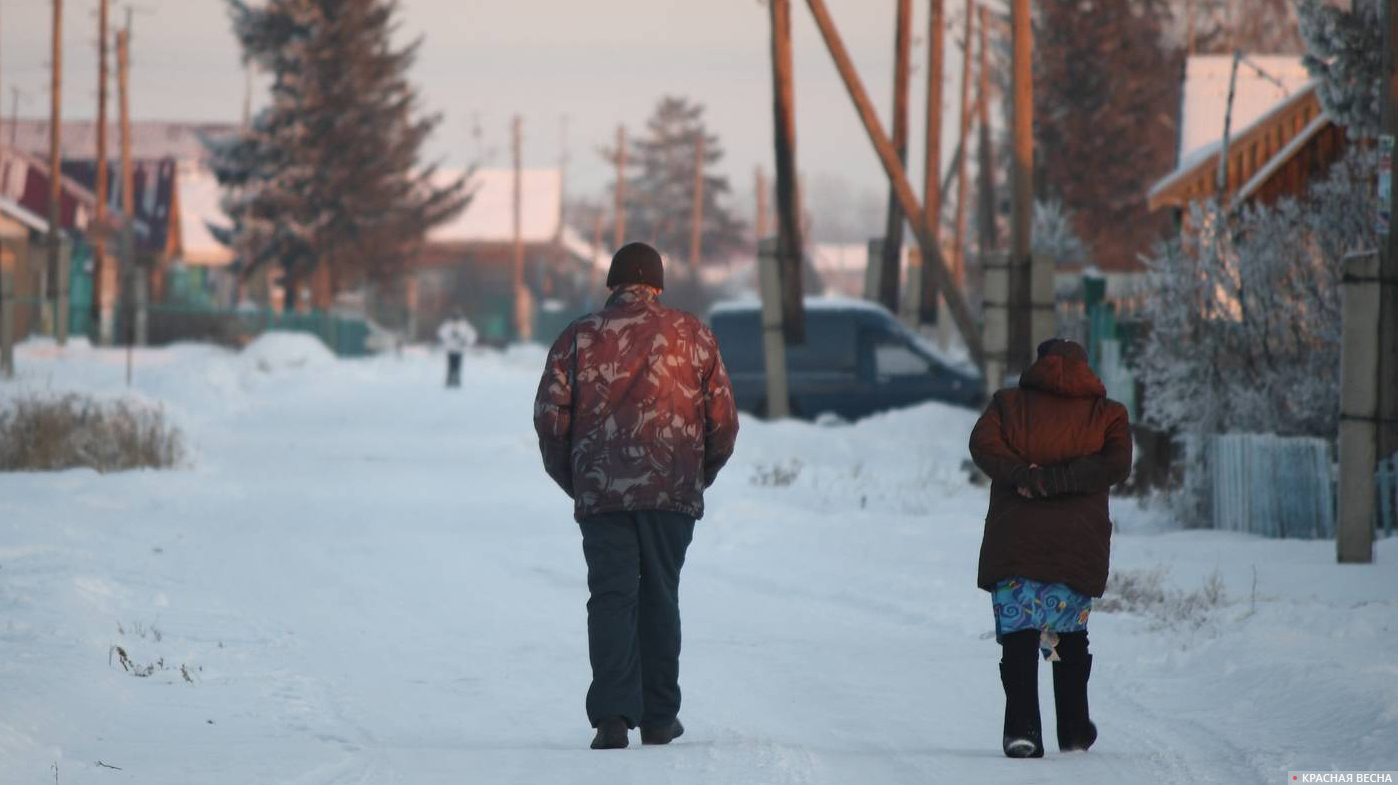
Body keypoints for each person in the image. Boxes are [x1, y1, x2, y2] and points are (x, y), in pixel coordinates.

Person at [533, 242, 739, 750]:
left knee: (611, 597)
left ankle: (612, 718)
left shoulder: (578, 337)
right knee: (659, 597)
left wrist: (579, 481)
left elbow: (549, 419)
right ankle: (660, 717)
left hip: (602, 494)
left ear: (612, 284)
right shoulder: (694, 335)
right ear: (658, 285)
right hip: (672, 492)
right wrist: (694, 475)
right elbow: (724, 423)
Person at [968, 338, 1132, 759]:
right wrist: (1065, 481)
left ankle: (1022, 732)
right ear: (1085, 368)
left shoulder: (1007, 405)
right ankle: (1074, 728)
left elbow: (983, 446)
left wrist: (1026, 476)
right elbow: (1116, 465)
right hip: (1076, 543)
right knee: (1069, 636)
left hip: (1016, 539)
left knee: (1019, 636)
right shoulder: (1109, 415)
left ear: (1038, 365)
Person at [437, 310, 477, 388]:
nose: (456, 319)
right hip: (450, 348)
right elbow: (441, 333)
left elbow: (472, 335)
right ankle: (449, 380)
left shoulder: (464, 325)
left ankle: (457, 380)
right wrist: (447, 339)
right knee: (450, 366)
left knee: (457, 366)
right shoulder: (448, 325)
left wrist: (466, 341)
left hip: (459, 349)